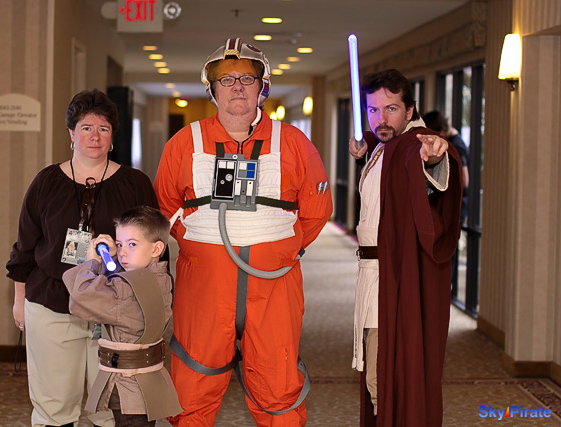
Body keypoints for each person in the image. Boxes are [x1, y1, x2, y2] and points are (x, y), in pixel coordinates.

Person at [153, 38, 333, 426]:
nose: (237, 86)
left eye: (247, 79)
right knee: (191, 388)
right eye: (226, 79)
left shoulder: (294, 143)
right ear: (212, 89)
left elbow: (317, 212)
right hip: (203, 287)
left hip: (274, 287)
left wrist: (279, 250)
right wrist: (202, 250)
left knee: (277, 386)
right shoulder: (184, 143)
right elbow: (165, 207)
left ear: (262, 87)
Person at [6, 89, 161, 427]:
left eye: (103, 129)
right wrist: (19, 301)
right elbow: (25, 247)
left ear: (112, 136)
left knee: (109, 407)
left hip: (114, 312)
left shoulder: (134, 184)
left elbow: (153, 250)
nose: (95, 136)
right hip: (52, 304)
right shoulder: (46, 182)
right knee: (54, 405)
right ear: (71, 134)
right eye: (86, 128)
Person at [348, 69, 462, 426]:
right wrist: (366, 148)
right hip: (372, 276)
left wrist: (435, 157)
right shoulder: (384, 146)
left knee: (384, 379)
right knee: (378, 377)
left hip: (395, 279)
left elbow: (429, 161)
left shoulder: (415, 145)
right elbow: (388, 163)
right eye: (372, 110)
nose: (380, 119)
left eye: (391, 109)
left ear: (410, 111)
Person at [62, 206, 182, 427]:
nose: (123, 252)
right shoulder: (160, 278)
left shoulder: (126, 290)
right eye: (119, 244)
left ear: (156, 248)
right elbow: (122, 282)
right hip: (146, 383)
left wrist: (92, 262)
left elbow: (80, 297)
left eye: (132, 244)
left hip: (129, 387)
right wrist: (111, 258)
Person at [422, 110, 469, 223]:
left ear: (442, 131)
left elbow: (464, 181)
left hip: (455, 205)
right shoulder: (454, 139)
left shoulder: (456, 146)